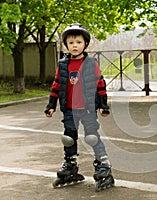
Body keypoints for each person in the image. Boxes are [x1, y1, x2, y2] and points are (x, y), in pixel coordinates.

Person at [44, 23, 114, 191]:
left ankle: (103, 165)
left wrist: (103, 105)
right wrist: (51, 105)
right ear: (66, 45)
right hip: (69, 109)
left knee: (92, 137)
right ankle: (70, 164)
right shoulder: (62, 64)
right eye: (71, 43)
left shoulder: (91, 63)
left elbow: (100, 84)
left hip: (88, 108)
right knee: (69, 138)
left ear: (85, 44)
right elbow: (57, 86)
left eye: (78, 42)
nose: (74, 46)